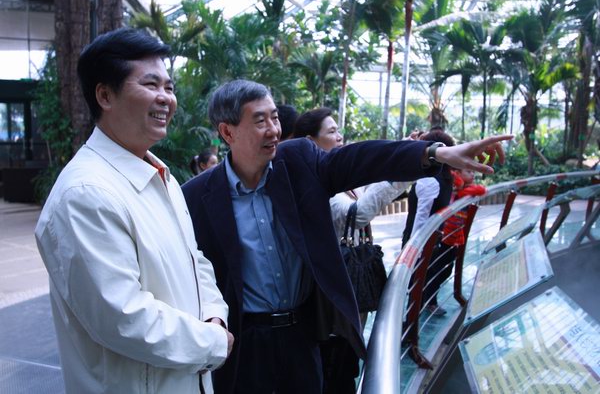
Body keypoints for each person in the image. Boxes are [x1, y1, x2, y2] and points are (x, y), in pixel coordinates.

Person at [181, 79, 510, 394]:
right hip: (244, 344)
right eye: (259, 121)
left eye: (275, 117)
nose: (273, 129)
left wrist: (434, 153)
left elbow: (360, 159)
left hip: (302, 335)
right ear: (227, 132)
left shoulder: (297, 161)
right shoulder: (196, 198)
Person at [35, 28, 233, 394]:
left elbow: (195, 262)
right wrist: (212, 343)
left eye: (169, 87)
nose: (165, 98)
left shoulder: (162, 178)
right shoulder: (86, 194)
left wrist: (214, 316)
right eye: (151, 84)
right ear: (105, 95)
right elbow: (123, 318)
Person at [293, 106, 412, 394]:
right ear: (310, 142)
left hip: (349, 286)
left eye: (338, 131)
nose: (340, 137)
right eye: (332, 131)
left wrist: (407, 155)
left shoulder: (339, 179)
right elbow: (356, 214)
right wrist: (401, 172)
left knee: (347, 355)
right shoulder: (315, 185)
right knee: (337, 361)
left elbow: (371, 186)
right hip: (333, 294)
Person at [402, 129, 456, 316]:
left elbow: (422, 219)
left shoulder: (437, 178)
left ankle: (425, 306)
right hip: (421, 240)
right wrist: (414, 249)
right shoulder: (434, 179)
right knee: (417, 279)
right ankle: (411, 319)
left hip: (430, 239)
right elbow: (420, 219)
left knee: (429, 274)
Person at [432, 169, 487, 309]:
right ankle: (430, 301)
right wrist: (462, 184)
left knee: (446, 270)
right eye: (468, 171)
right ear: (458, 172)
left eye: (473, 172)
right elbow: (479, 190)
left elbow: (478, 190)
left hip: (454, 237)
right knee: (439, 271)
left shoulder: (463, 188)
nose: (472, 174)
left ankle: (430, 300)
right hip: (445, 236)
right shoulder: (455, 186)